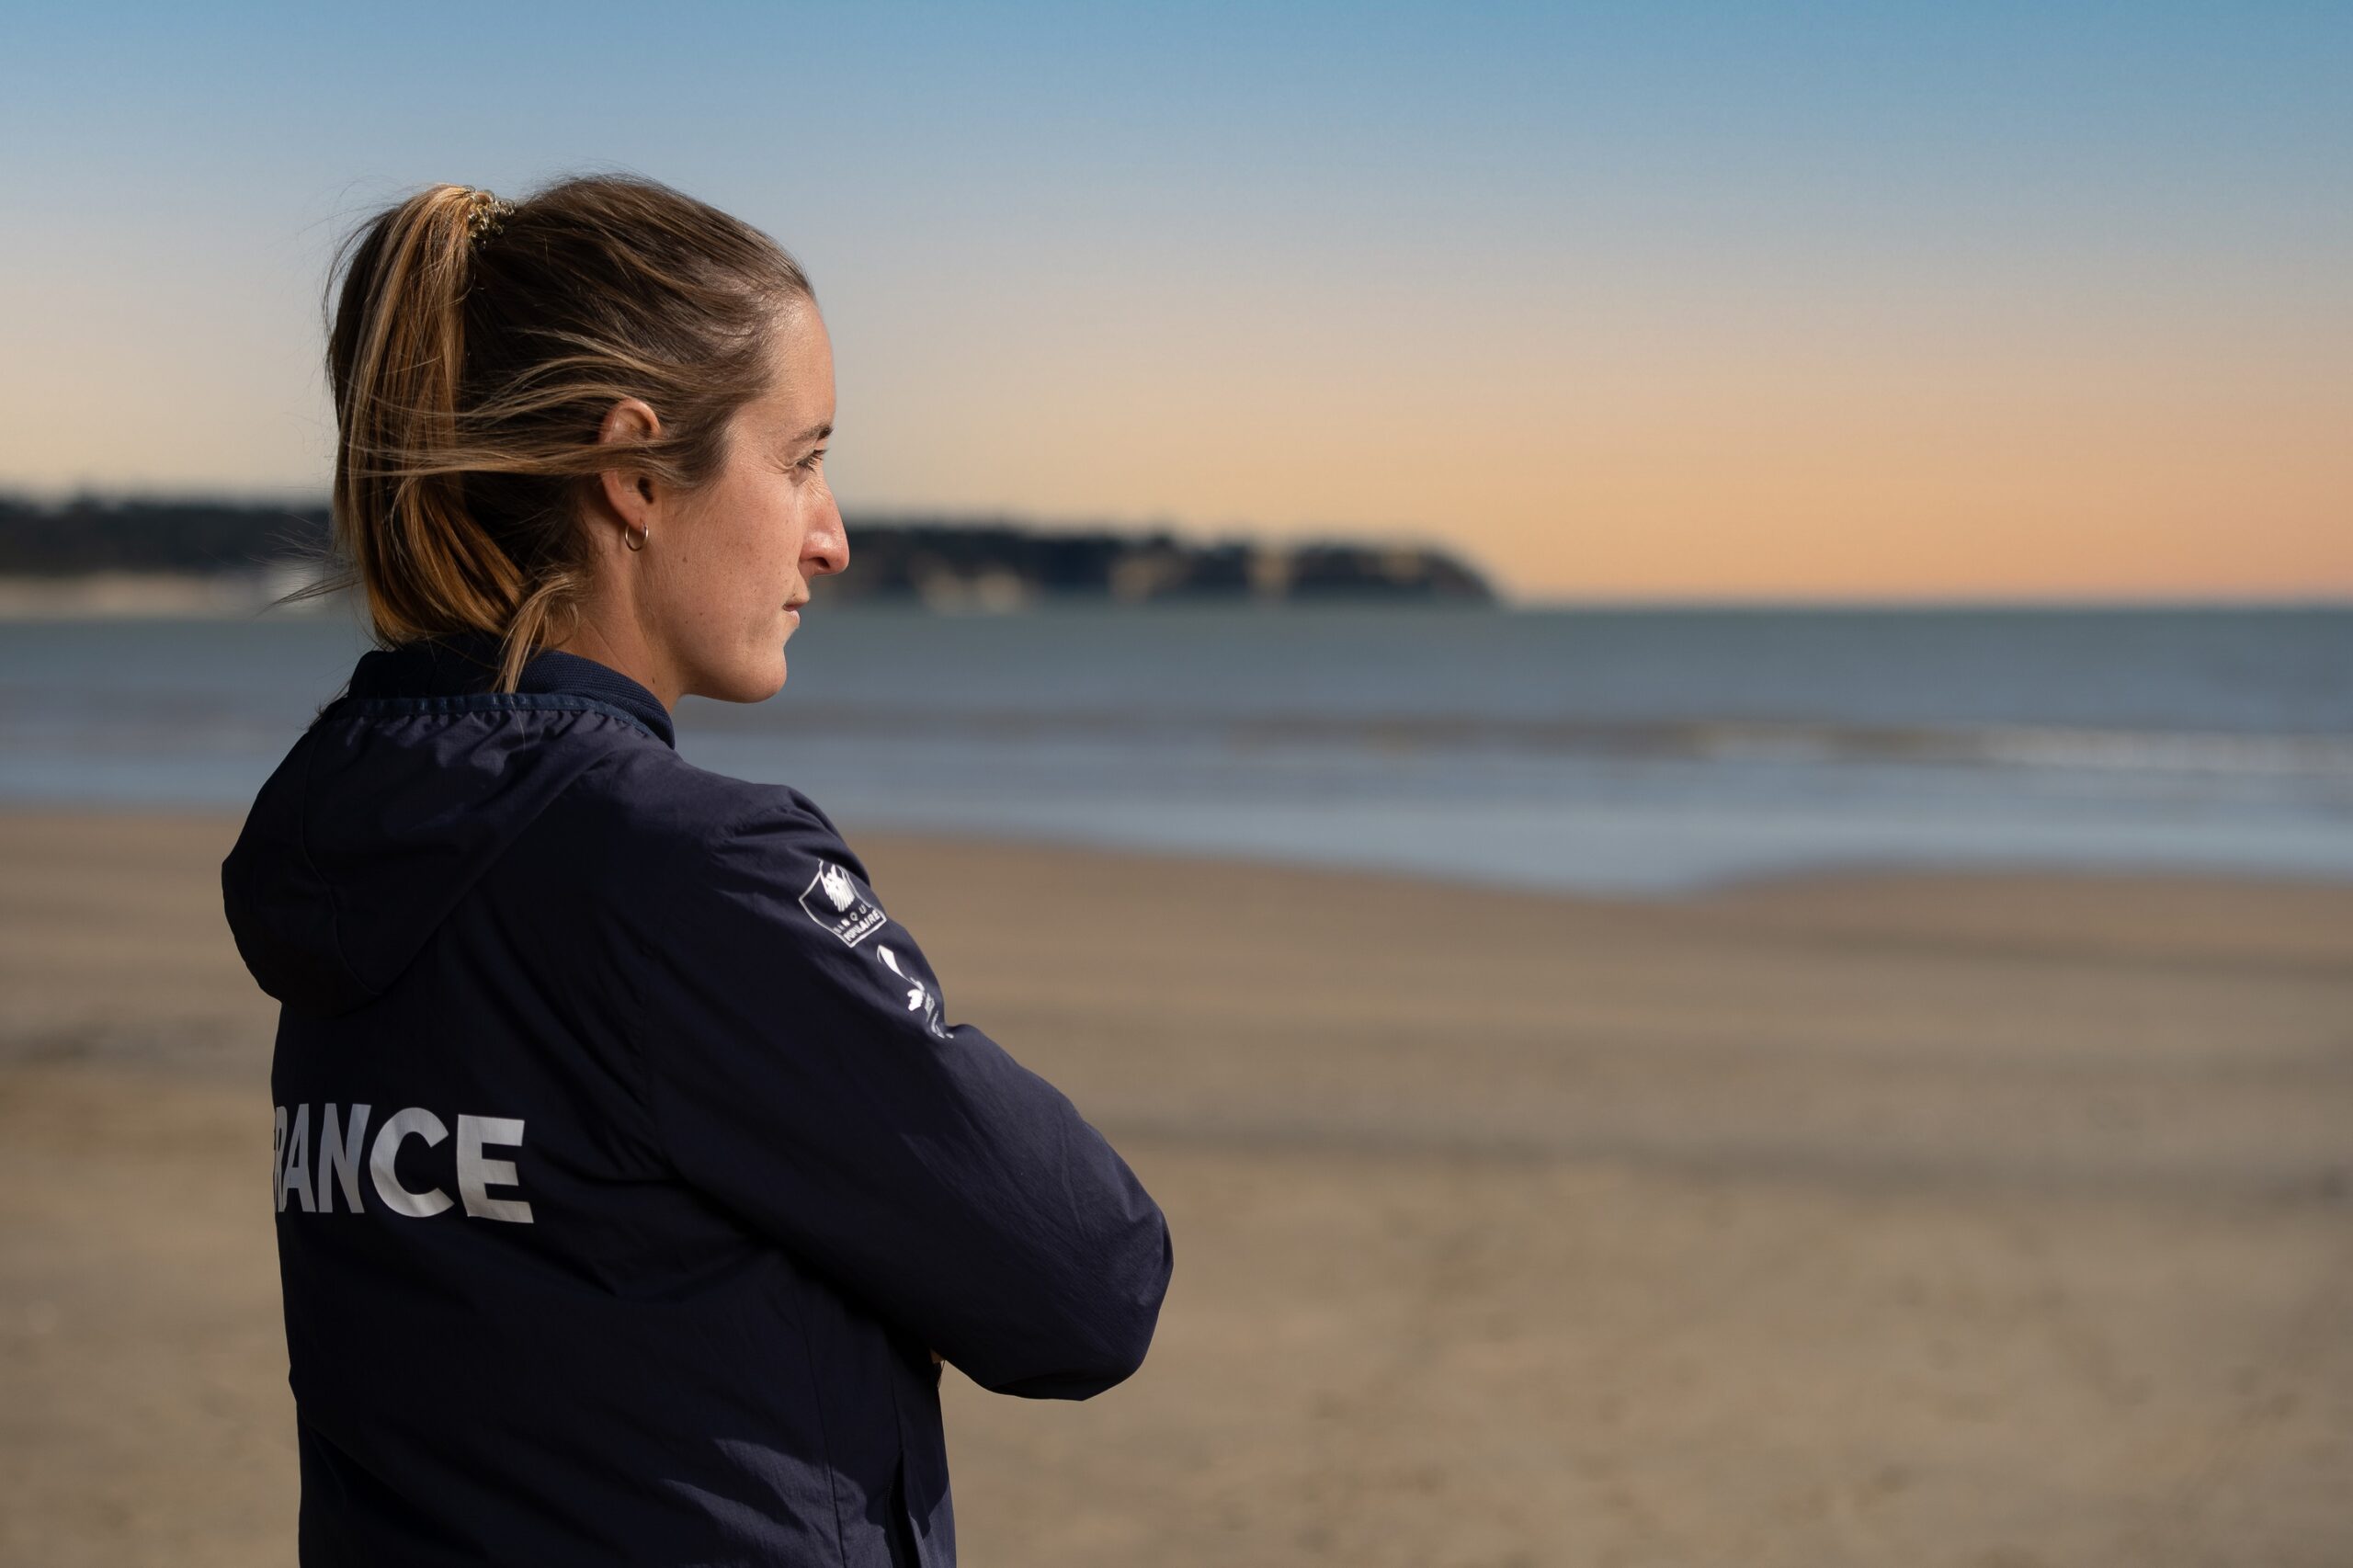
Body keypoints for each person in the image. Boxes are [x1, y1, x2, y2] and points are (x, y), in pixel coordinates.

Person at [220, 176, 1173, 1567]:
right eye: (800, 461)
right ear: (638, 472)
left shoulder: (359, 842)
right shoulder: (686, 873)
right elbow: (1089, 1279)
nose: (829, 536)